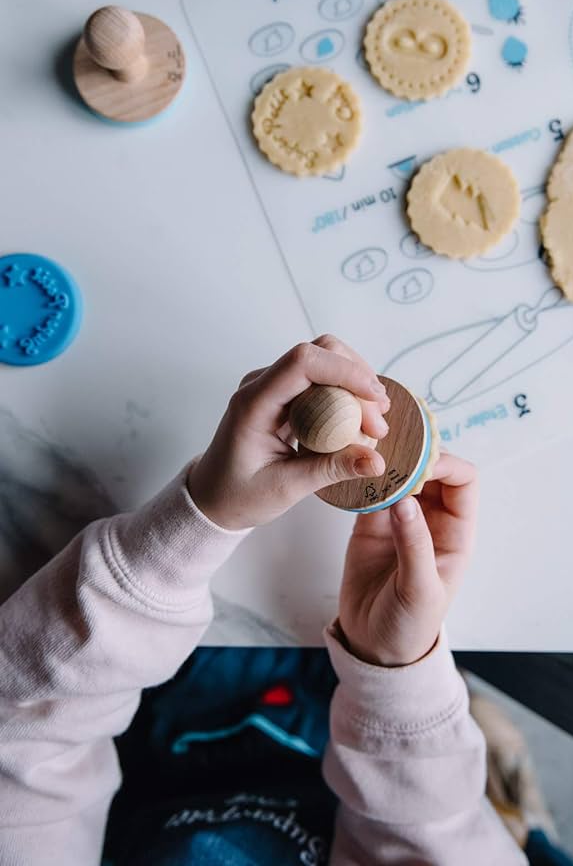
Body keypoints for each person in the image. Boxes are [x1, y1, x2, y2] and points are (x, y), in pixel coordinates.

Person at [0, 335, 529, 865]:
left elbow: (19, 743)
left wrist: (196, 524)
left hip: (134, 698)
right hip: (363, 726)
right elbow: (439, 841)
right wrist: (393, 671)